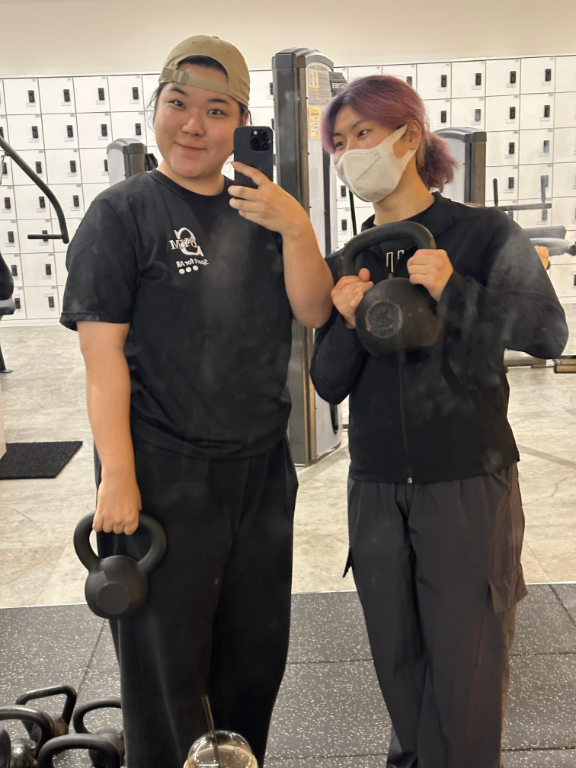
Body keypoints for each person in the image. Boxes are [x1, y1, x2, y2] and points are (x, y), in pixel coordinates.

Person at [61, 35, 333, 768]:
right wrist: (118, 476)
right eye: (178, 104)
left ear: (241, 123)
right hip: (161, 475)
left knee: (254, 662)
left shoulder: (264, 211)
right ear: (156, 107)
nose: (193, 125)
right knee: (168, 676)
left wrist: (297, 225)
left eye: (216, 111)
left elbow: (313, 311)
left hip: (260, 473)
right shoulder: (121, 215)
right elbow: (101, 360)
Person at [310, 75, 568, 768]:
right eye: (340, 142)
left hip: (466, 482)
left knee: (467, 671)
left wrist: (454, 287)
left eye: (363, 134)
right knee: (399, 668)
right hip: (375, 490)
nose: (350, 153)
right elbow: (327, 382)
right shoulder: (354, 258)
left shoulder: (484, 234)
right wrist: (345, 320)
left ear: (410, 136)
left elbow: (548, 333)